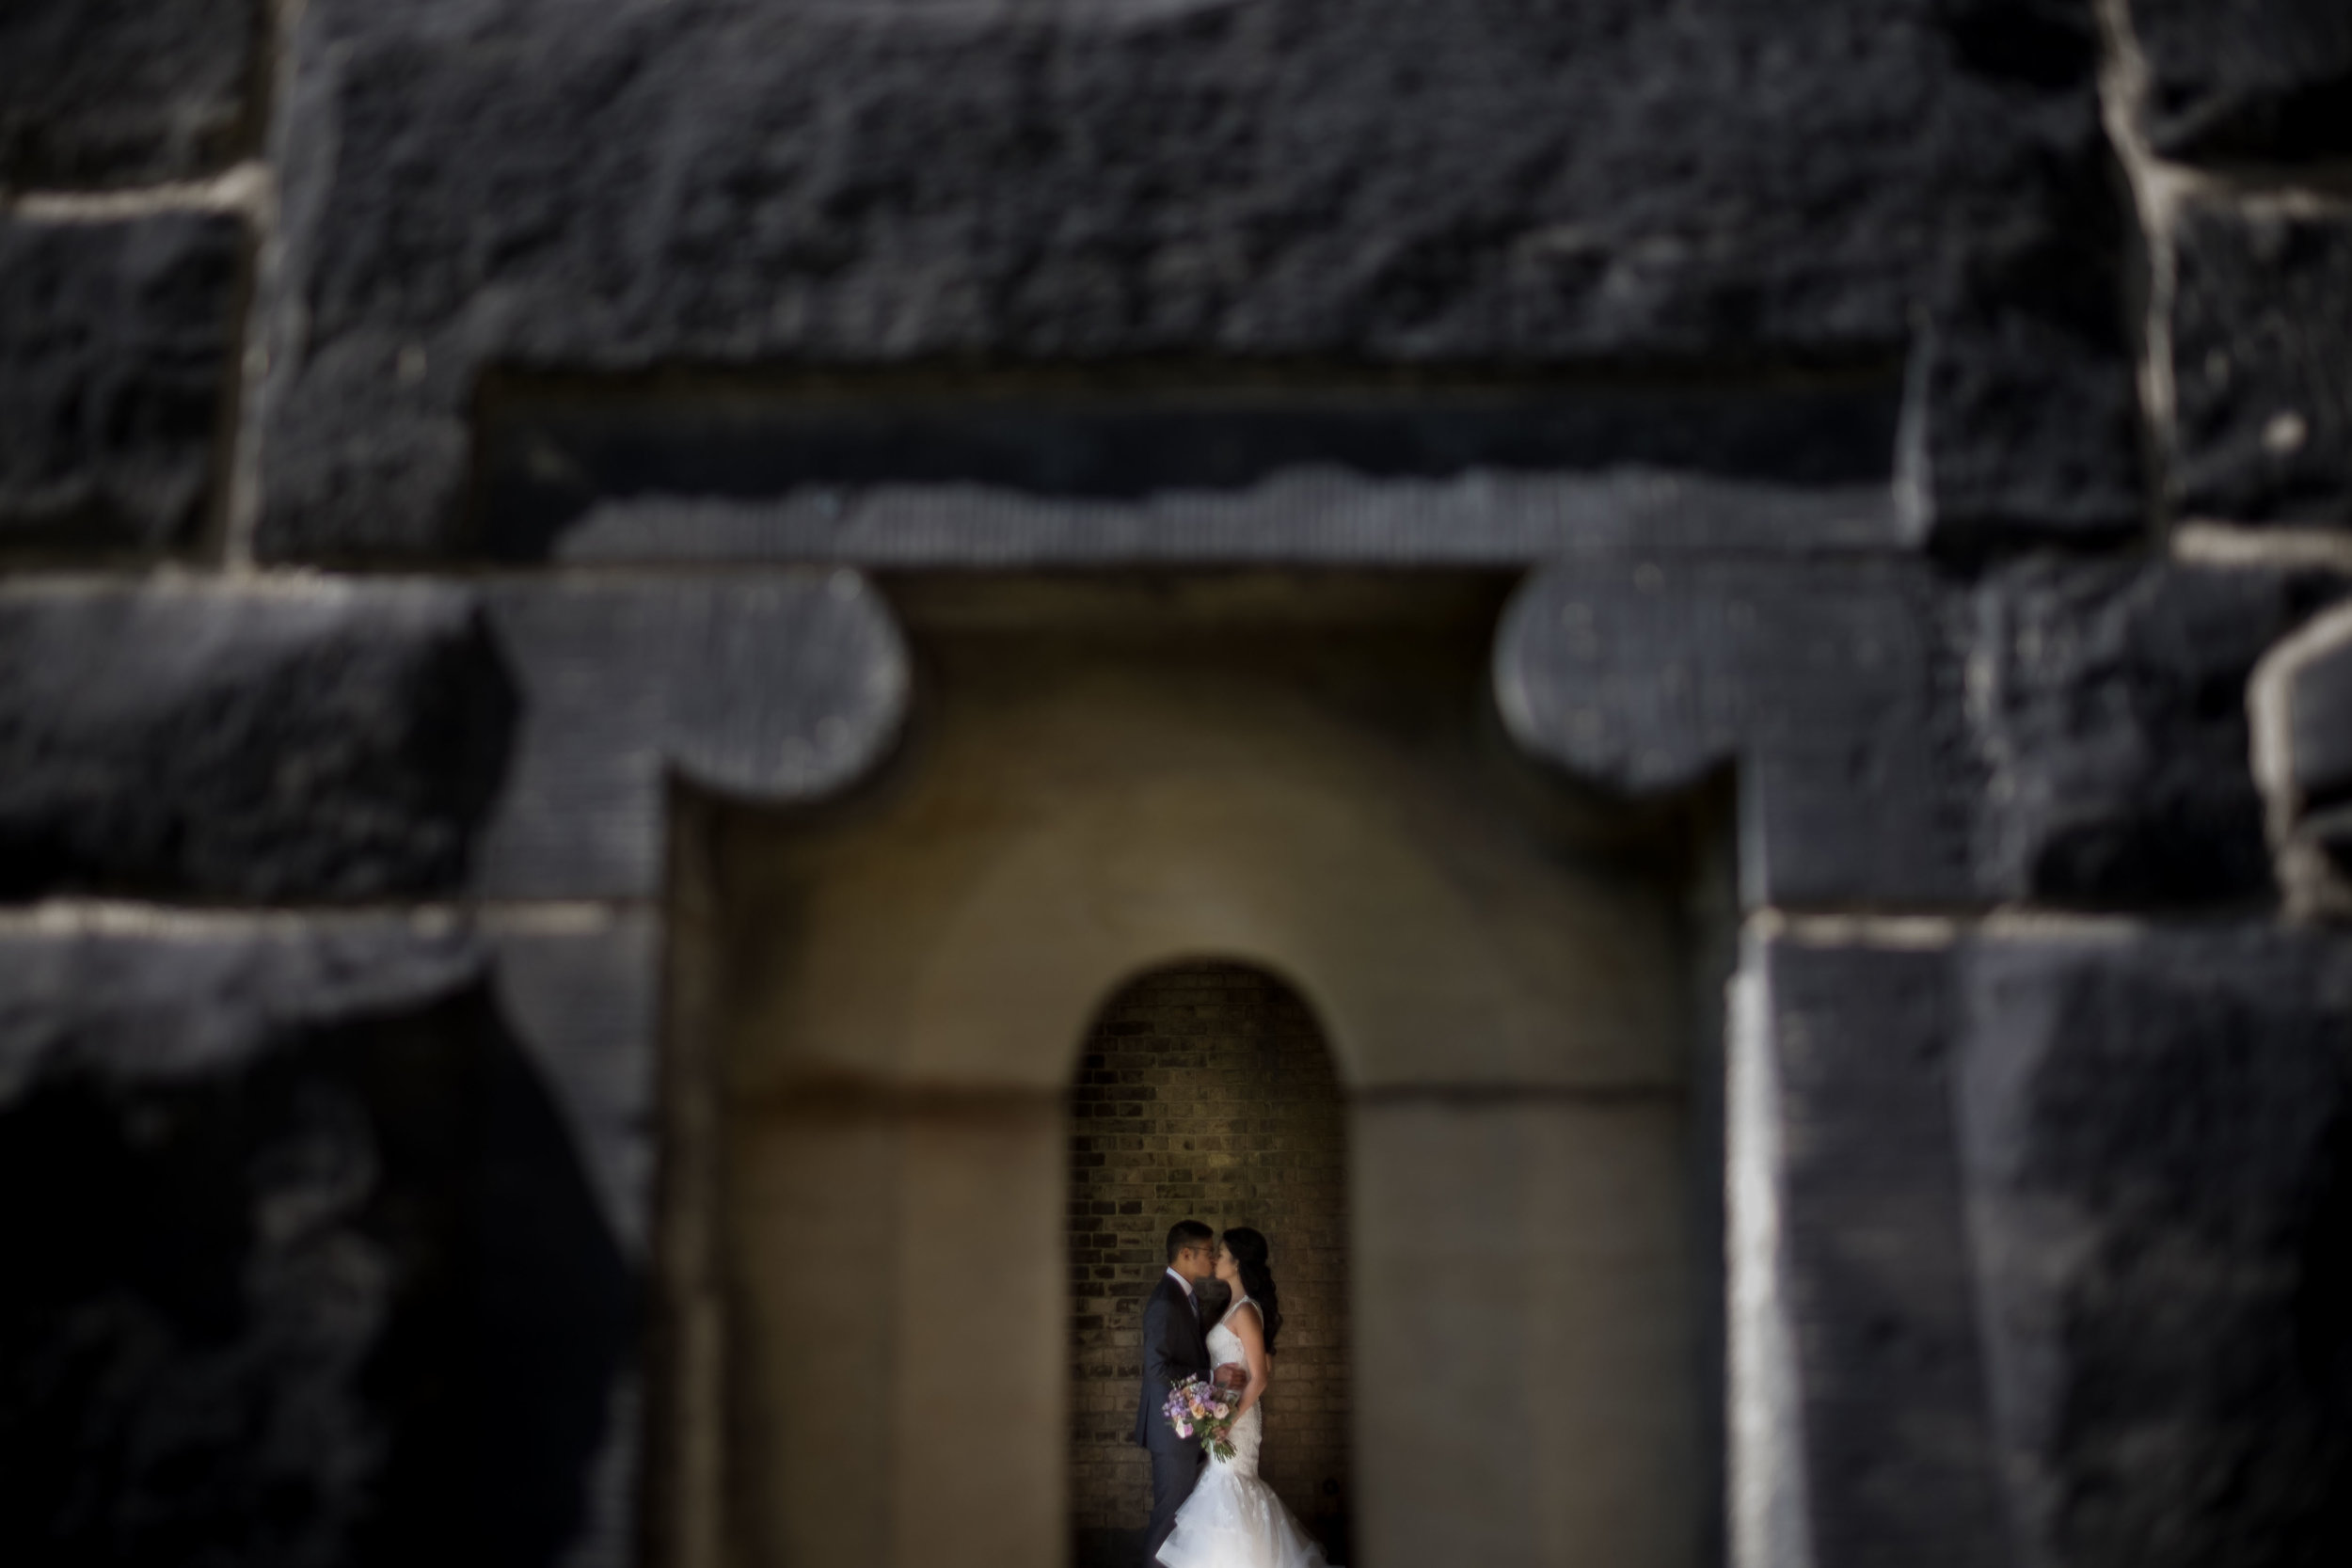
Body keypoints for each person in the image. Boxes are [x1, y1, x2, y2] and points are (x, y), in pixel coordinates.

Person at [1154, 1227, 1329, 1568]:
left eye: (1222, 1253)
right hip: (1222, 1414)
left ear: (1238, 1263)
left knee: (1230, 1489)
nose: (1215, 1258)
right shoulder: (1230, 1307)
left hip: (1238, 1418)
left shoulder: (1247, 1311)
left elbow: (1260, 1377)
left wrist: (1228, 1419)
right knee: (1222, 1490)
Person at [1136, 1220, 1225, 1564]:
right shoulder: (1165, 1301)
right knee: (1169, 1517)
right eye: (1209, 1251)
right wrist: (1212, 1375)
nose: (1214, 1258)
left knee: (1182, 1517)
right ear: (1187, 1254)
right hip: (1170, 1430)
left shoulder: (1186, 1296)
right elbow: (1157, 1368)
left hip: (1185, 1424)